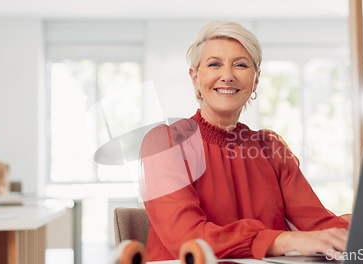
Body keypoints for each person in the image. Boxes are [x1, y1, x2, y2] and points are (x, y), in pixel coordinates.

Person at [139, 20, 351, 261]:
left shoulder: (271, 148)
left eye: (240, 65)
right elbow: (187, 239)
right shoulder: (165, 143)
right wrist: (283, 239)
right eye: (214, 64)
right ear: (196, 78)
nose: (227, 76)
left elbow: (317, 224)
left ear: (256, 79)